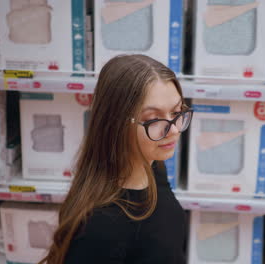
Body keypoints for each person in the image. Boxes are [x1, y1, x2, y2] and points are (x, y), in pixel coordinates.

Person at [39, 55, 193, 264]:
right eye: (154, 119)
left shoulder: (154, 165)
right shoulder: (100, 229)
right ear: (117, 123)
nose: (173, 129)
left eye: (176, 112)